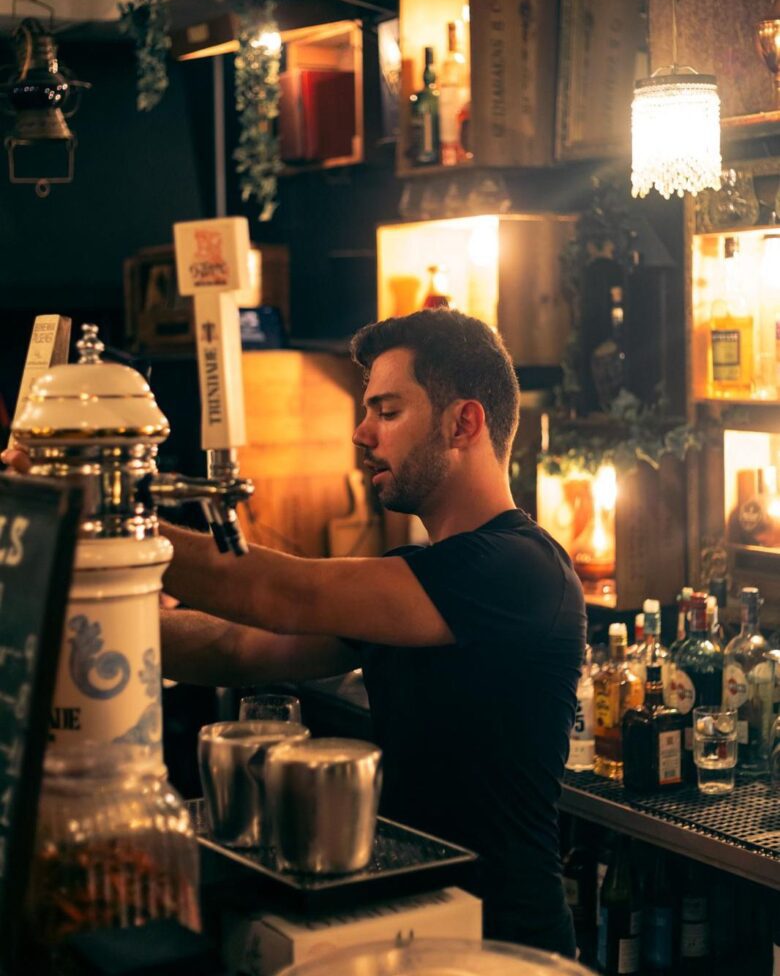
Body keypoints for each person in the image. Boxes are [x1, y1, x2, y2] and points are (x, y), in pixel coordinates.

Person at [2, 309, 586, 956]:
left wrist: (95, 513)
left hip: (505, 940)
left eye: (387, 412)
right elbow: (234, 646)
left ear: (464, 423)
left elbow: (283, 593)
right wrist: (83, 615)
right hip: (413, 919)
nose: (362, 433)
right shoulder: (416, 580)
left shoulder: (520, 570)